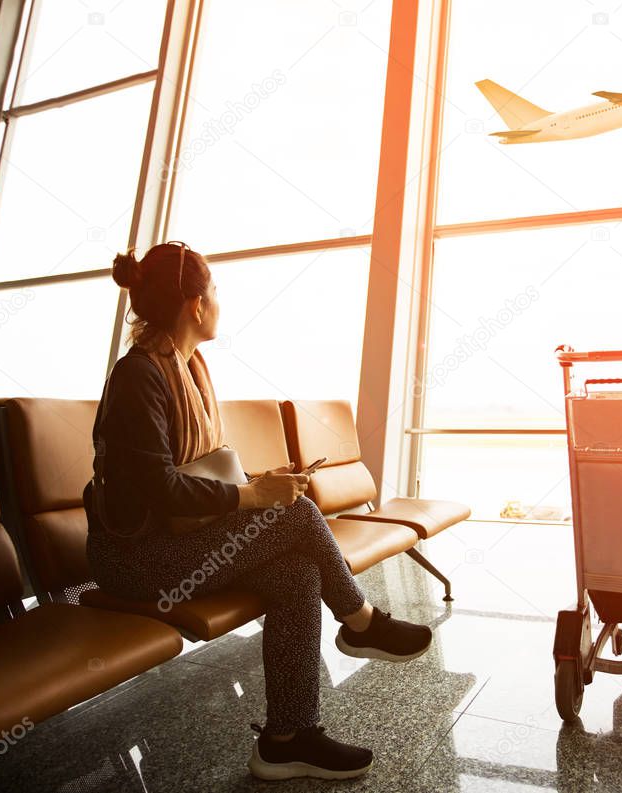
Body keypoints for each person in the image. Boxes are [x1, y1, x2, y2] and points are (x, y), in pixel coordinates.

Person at [82, 241, 432, 781]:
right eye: (215, 291)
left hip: (181, 541)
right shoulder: (140, 376)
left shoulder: (188, 369)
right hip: (136, 557)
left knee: (295, 572)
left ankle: (287, 739)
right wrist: (253, 498)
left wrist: (255, 483)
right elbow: (161, 488)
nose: (219, 301)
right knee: (293, 516)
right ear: (196, 305)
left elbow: (199, 470)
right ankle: (360, 621)